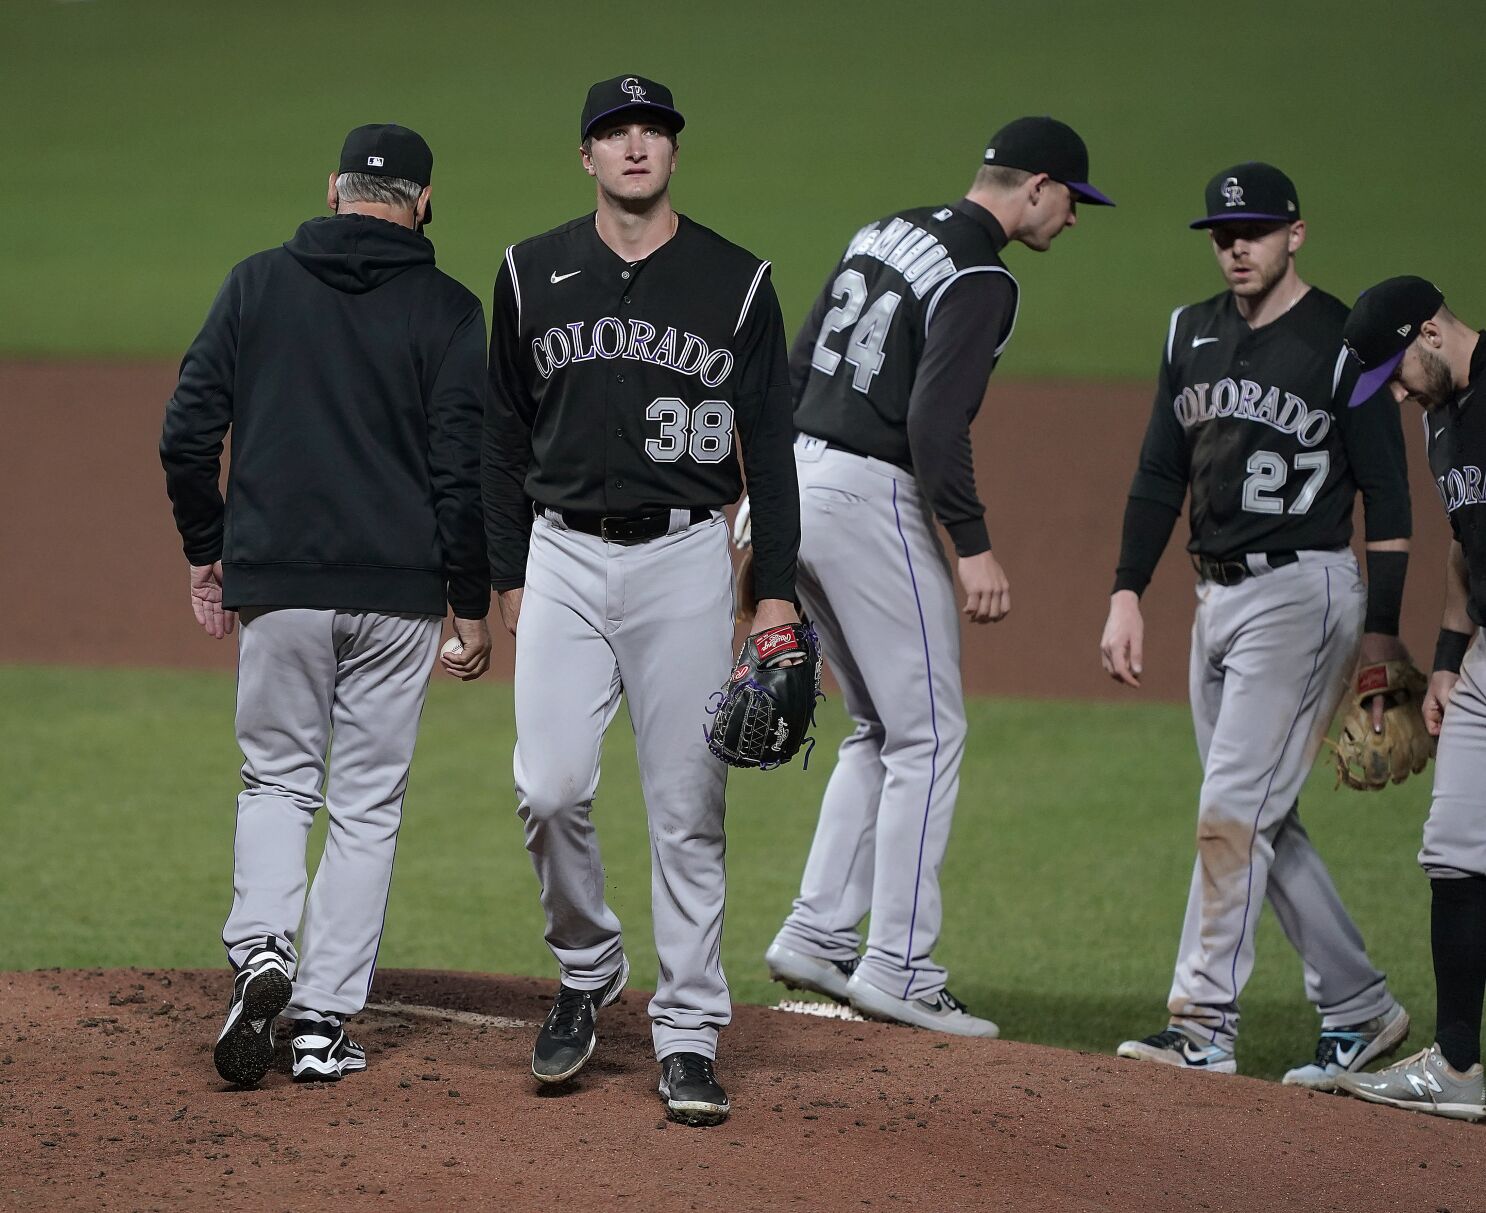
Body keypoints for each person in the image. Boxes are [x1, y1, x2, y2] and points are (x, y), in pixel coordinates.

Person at [482, 74, 800, 1126]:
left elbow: (773, 457)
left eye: (651, 131)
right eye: (613, 133)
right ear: (585, 157)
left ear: (673, 152)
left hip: (684, 560)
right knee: (549, 786)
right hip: (561, 554)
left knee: (686, 805)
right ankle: (586, 967)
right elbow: (499, 436)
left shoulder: (737, 282)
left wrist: (773, 597)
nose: (633, 146)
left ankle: (691, 1030)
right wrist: (507, 576)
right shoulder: (529, 273)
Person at [759, 116, 1113, 1036]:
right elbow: (934, 420)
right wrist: (975, 541)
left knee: (878, 726)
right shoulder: (985, 275)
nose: (1074, 220)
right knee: (929, 735)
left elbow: (795, 364)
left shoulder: (882, 230)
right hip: (868, 499)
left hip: (794, 480)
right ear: (1036, 185)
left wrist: (760, 500)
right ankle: (902, 964)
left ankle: (818, 933)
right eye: (1073, 199)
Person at [160, 124, 491, 1087]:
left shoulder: (257, 282)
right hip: (397, 597)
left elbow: (185, 435)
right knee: (366, 805)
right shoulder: (448, 308)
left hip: (282, 590)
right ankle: (318, 1024)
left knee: (276, 781)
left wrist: (209, 552)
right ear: (423, 202)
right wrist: (467, 602)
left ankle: (262, 948)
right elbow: (460, 472)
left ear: (333, 189)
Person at [1101, 163, 1413, 1086]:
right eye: (1223, 232)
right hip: (1214, 600)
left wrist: (1385, 633)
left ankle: (1202, 1023)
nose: (1237, 246)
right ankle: (1359, 1007)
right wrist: (1126, 589)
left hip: (1303, 596)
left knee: (1233, 812)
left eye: (1256, 231)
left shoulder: (1346, 342)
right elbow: (1162, 472)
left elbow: (1389, 503)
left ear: (1296, 235)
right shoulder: (1187, 331)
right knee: (1257, 816)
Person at [1334, 277, 1486, 1120]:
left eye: (1396, 371)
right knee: (1455, 845)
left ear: (1431, 330)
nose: (1393, 393)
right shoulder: (1439, 423)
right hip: (1484, 656)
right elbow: (1468, 547)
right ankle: (1459, 1067)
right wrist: (1447, 659)